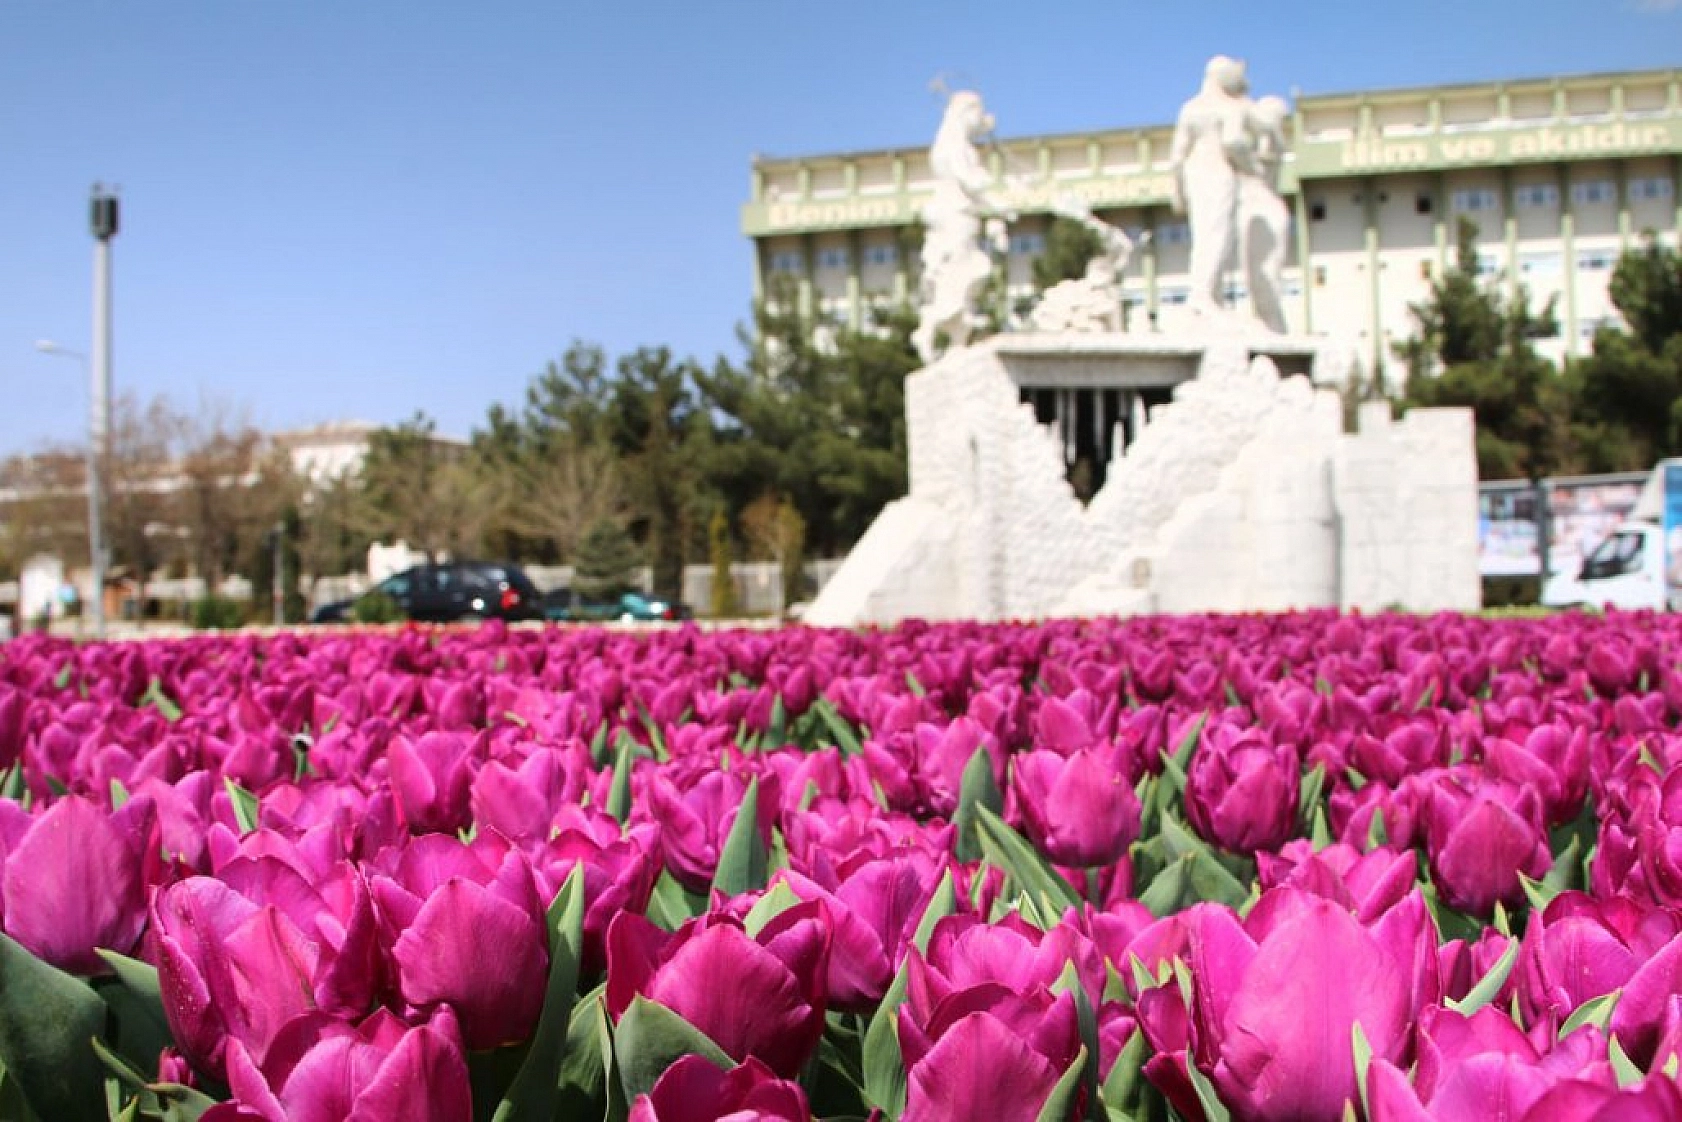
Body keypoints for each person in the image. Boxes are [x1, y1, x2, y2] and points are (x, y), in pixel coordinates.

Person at [1168, 56, 1257, 322]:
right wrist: (1253, 168)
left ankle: (1207, 295)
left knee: (1203, 236)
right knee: (1217, 235)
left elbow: (1177, 154)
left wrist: (1177, 189)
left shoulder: (1190, 108)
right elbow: (1232, 142)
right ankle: (1204, 296)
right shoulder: (1230, 107)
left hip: (1193, 173)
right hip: (1218, 171)